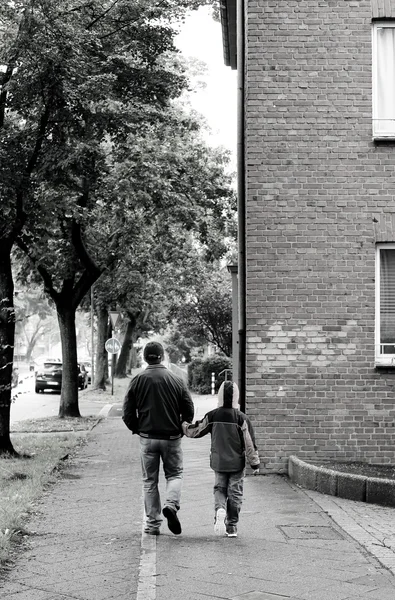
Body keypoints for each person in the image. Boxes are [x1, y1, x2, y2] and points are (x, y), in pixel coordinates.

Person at [123, 341, 194, 536]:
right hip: (171, 437)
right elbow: (189, 409)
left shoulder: (137, 380)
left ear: (145, 358)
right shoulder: (176, 380)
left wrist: (138, 429)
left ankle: (153, 525)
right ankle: (171, 505)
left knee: (149, 481)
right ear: (162, 357)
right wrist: (183, 426)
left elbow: (127, 412)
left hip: (148, 438)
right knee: (175, 475)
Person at [182, 380, 260, 538]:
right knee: (235, 493)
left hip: (218, 462)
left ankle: (220, 510)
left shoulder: (213, 415)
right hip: (237, 463)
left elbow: (196, 430)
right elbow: (250, 444)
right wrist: (255, 463)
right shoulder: (241, 418)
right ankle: (231, 526)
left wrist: (182, 425)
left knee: (219, 489)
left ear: (219, 395)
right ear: (236, 397)